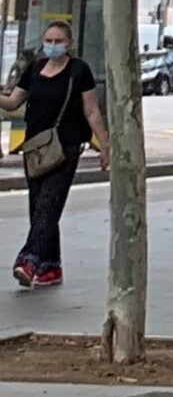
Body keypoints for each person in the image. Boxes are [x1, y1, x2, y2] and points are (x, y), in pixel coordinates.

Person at [1, 22, 106, 289]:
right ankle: (51, 267)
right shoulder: (35, 69)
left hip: (65, 147)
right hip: (35, 147)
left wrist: (106, 145)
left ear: (69, 43)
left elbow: (91, 110)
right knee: (39, 208)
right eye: (48, 39)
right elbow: (14, 101)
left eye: (59, 40)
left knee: (49, 204)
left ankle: (29, 260)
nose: (53, 44)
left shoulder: (78, 71)